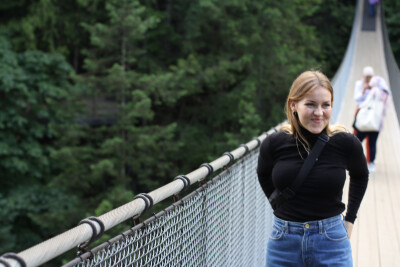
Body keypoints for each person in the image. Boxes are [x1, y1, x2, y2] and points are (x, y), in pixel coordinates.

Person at [257, 70, 369, 266]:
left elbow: (360, 175)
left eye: (326, 105)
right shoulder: (274, 144)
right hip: (283, 243)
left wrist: (350, 220)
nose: (319, 113)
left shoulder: (346, 143)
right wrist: (279, 204)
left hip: (331, 242)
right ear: (293, 105)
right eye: (310, 104)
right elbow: (263, 173)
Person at [353, 66, 390, 173]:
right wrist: (364, 90)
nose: (368, 79)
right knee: (358, 140)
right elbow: (357, 98)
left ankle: (370, 161)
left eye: (370, 77)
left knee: (369, 142)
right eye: (367, 77)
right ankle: (362, 160)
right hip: (364, 114)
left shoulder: (376, 89)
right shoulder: (359, 84)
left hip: (371, 116)